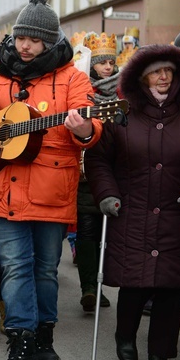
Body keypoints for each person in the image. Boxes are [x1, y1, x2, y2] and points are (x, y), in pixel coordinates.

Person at [0, 0, 102, 360]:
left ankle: (44, 338)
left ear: (50, 40)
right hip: (1, 188)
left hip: (52, 188)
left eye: (34, 39)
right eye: (21, 38)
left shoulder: (73, 77)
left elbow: (93, 125)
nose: (26, 46)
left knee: (46, 270)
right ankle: (21, 342)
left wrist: (85, 127)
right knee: (16, 267)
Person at [84, 44, 180, 360]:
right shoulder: (121, 113)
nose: (163, 77)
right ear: (141, 77)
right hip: (131, 210)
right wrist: (106, 194)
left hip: (177, 215)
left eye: (168, 71)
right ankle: (125, 336)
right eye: (155, 72)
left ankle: (160, 353)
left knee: (171, 288)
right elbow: (98, 159)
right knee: (136, 282)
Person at [74, 32, 119, 312]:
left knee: (107, 233)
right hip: (83, 167)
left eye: (111, 63)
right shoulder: (81, 90)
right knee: (88, 229)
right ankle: (89, 287)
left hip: (112, 169)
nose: (107, 68)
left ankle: (100, 283)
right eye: (102, 63)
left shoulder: (121, 93)